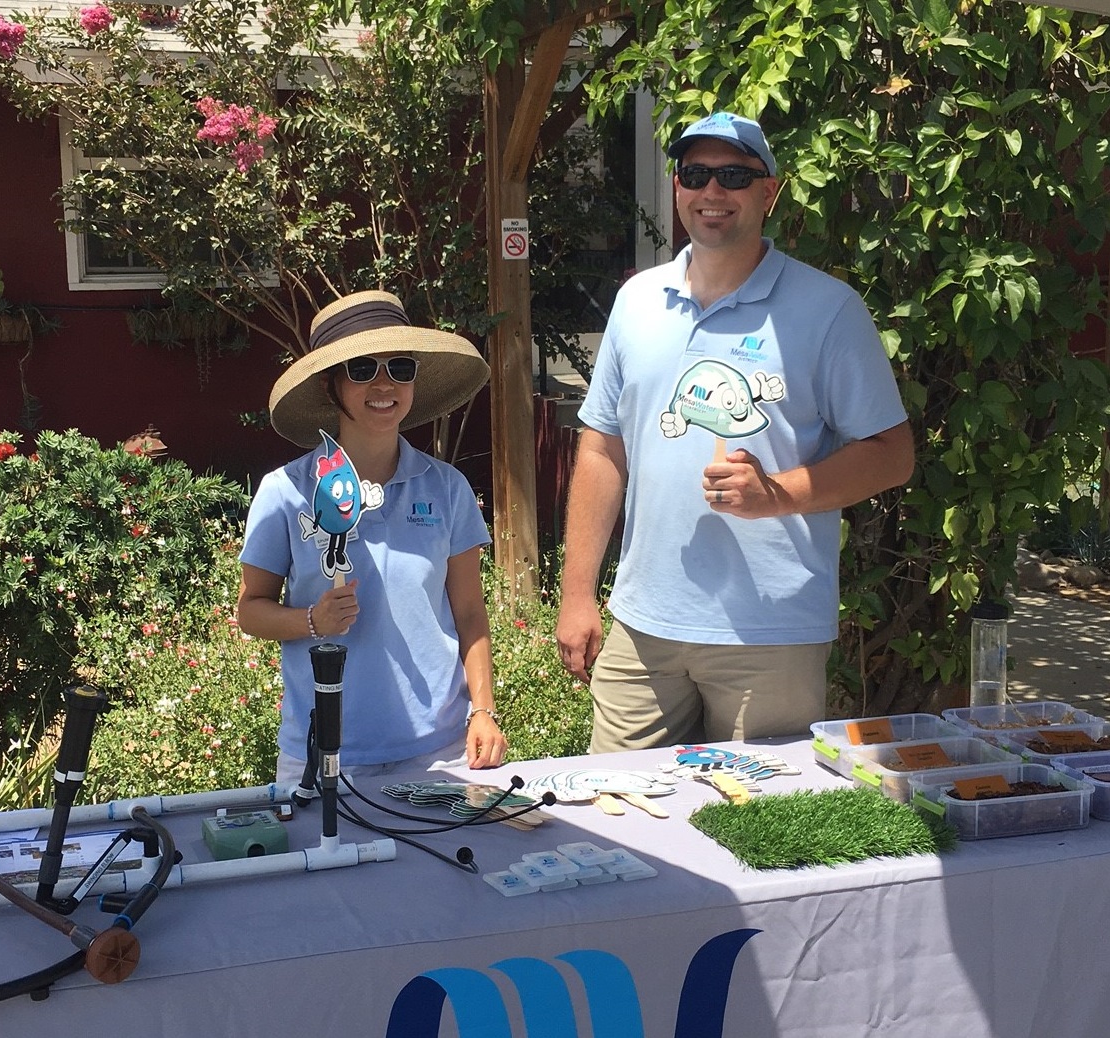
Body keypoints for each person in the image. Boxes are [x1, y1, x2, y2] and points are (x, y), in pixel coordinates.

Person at [555, 111, 915, 752]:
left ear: (769, 191)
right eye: (696, 174)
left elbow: (891, 455)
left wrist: (776, 494)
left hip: (769, 634)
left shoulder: (828, 309)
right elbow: (603, 447)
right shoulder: (636, 300)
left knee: (754, 834)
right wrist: (577, 593)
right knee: (620, 823)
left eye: (733, 176)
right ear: (676, 186)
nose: (712, 192)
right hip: (644, 626)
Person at [237, 290, 507, 784]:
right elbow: (251, 610)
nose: (384, 385)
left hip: (442, 752)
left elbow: (470, 614)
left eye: (400, 367)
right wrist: (312, 621)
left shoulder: (446, 487)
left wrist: (483, 711)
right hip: (323, 755)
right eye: (362, 369)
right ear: (330, 385)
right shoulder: (287, 492)